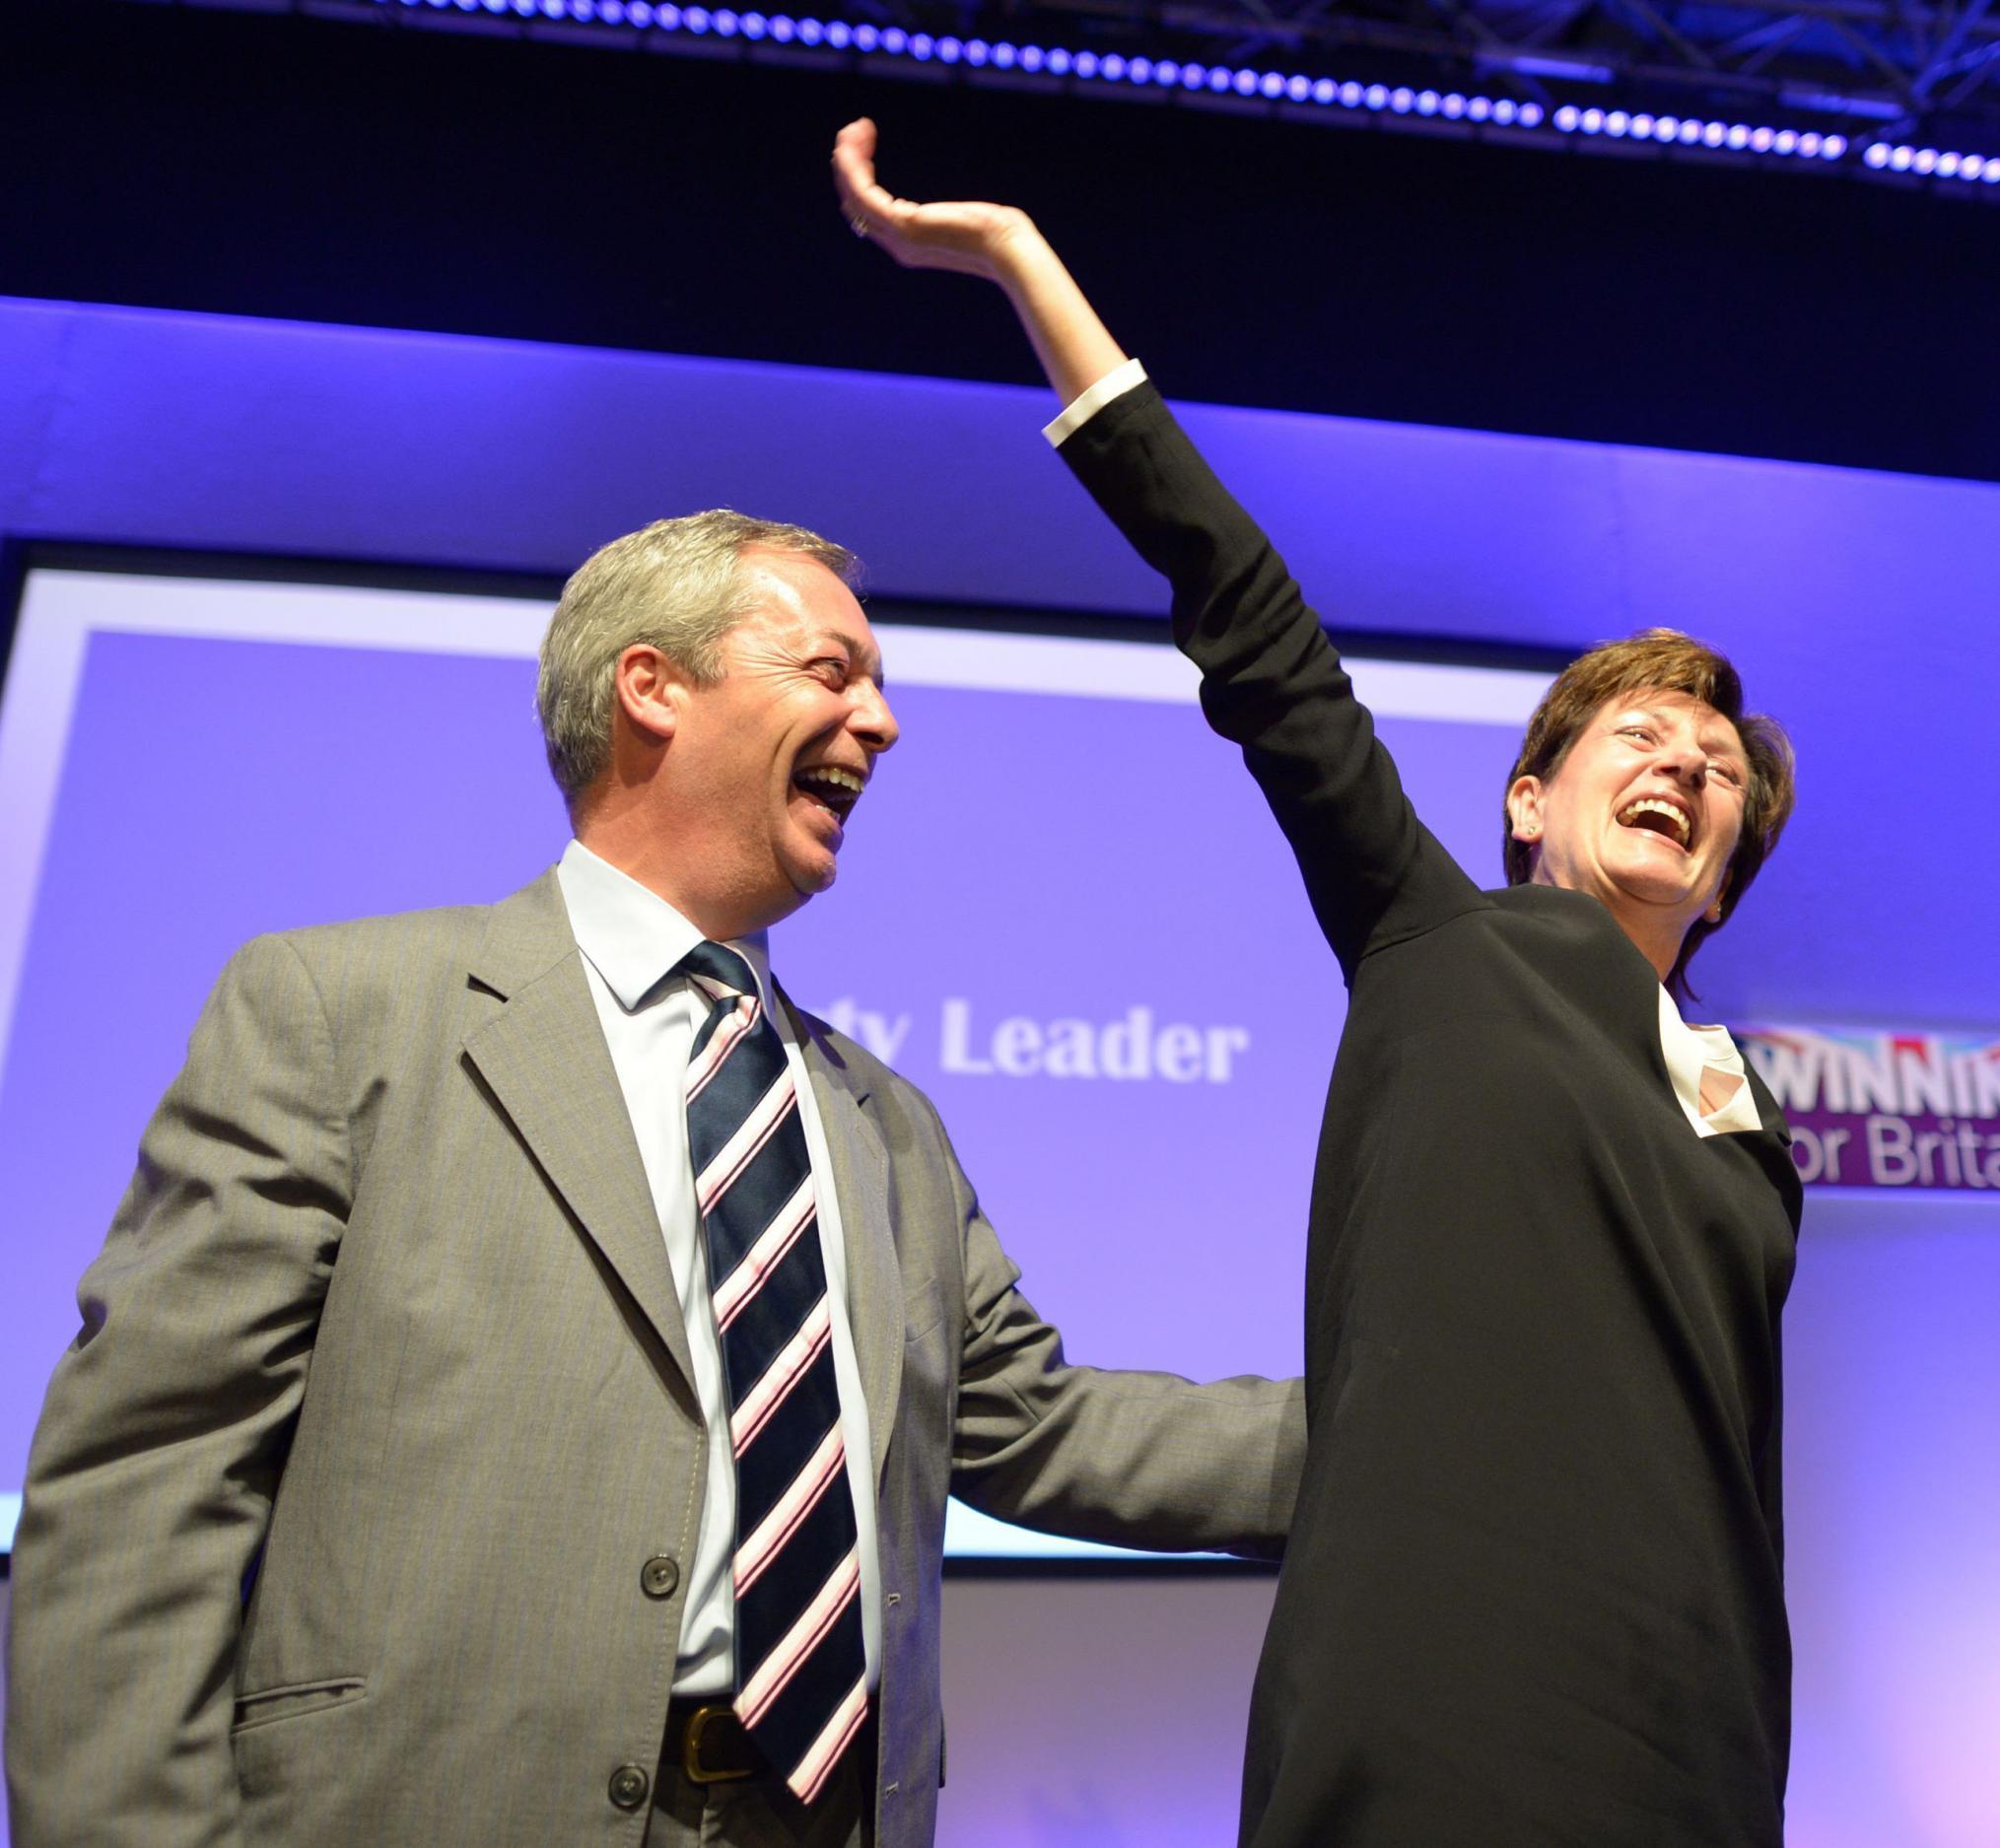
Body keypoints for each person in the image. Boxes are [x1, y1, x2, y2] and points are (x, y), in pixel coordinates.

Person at [4, 510, 1306, 1848]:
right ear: (653, 687)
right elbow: (146, 1488)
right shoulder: (341, 1014)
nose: (885, 723)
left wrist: (1427, 1428)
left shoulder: (884, 1120)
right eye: (833, 671)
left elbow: (1042, 1425)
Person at [833, 120, 1803, 1847]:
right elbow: (1257, 631)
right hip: (1446, 1678)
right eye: (1638, 735)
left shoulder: (1750, 1112)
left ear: (1728, 867)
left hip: (1698, 1714)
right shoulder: (1446, 940)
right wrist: (1024, 269)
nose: (1685, 763)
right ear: (1526, 804)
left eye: (1719, 765)